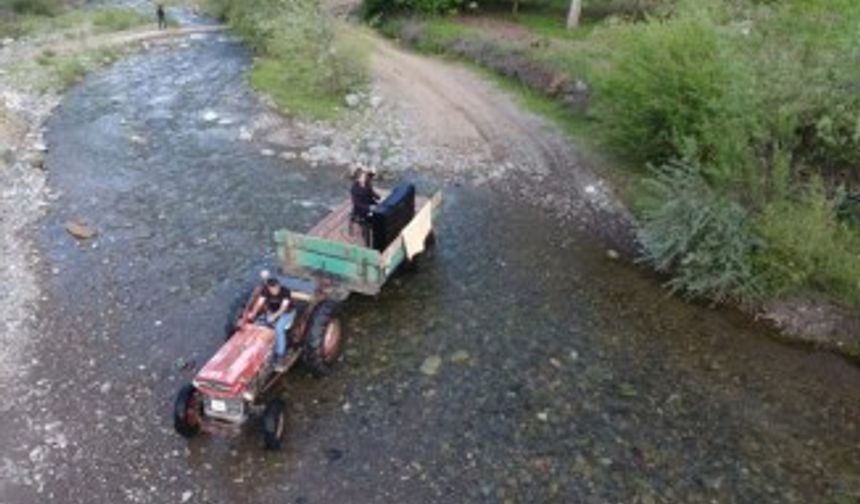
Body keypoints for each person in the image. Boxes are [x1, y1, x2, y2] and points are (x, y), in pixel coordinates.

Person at [250, 278, 295, 371]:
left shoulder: (285, 291)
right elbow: (259, 303)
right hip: (271, 312)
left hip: (287, 313)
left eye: (275, 288)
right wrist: (253, 313)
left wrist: (274, 316)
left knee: (279, 328)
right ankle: (256, 348)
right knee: (257, 324)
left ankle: (280, 355)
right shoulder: (265, 291)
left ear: (278, 286)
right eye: (271, 289)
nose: (273, 291)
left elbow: (283, 307)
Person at [350, 165, 380, 246]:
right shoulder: (354, 189)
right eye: (363, 177)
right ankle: (367, 242)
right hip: (361, 210)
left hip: (370, 203)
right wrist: (368, 208)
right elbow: (357, 203)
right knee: (366, 224)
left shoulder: (367, 183)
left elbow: (371, 192)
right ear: (358, 179)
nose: (365, 178)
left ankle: (378, 230)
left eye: (364, 176)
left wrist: (378, 197)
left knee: (381, 210)